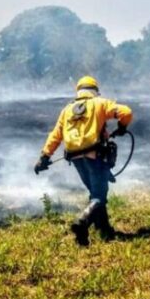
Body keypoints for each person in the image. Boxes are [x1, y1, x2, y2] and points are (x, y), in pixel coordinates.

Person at [34, 76, 133, 246]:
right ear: (95, 91)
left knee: (95, 193)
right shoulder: (100, 103)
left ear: (78, 91)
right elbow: (126, 112)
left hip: (76, 158)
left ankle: (104, 230)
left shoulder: (67, 110)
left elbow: (56, 135)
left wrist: (44, 157)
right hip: (95, 155)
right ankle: (82, 222)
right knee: (99, 196)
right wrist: (122, 128)